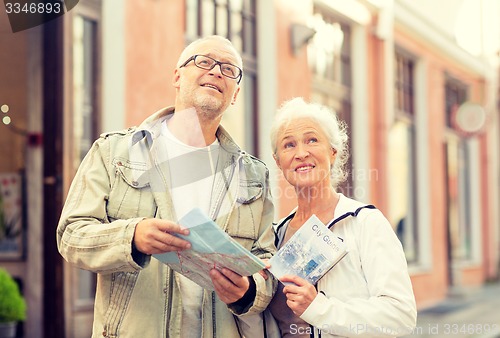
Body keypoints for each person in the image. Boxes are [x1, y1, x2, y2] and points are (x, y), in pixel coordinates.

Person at [57, 35, 276, 338]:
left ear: (235, 93)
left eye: (229, 69)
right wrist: (132, 236)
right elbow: (71, 236)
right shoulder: (113, 151)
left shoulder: (253, 175)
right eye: (204, 61)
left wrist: (249, 291)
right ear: (177, 76)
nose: (216, 71)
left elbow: (269, 264)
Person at [266, 97, 417, 337]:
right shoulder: (274, 236)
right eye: (289, 145)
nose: (301, 153)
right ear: (278, 161)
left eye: (312, 140)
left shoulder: (364, 222)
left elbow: (400, 316)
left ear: (333, 152)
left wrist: (319, 308)